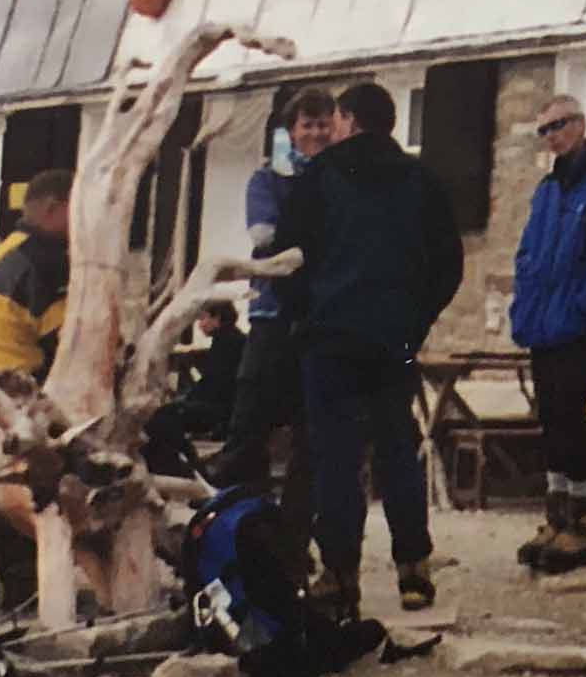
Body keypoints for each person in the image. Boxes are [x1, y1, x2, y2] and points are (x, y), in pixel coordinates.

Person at [278, 79, 463, 618]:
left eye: (335, 118)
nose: (329, 127)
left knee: (336, 458)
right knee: (397, 448)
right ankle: (413, 569)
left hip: (331, 336)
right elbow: (448, 264)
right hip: (394, 336)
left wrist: (303, 315)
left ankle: (340, 575)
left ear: (350, 121)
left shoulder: (319, 178)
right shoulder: (422, 181)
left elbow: (286, 259)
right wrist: (416, 320)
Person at [508, 94, 586, 574]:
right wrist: (524, 299)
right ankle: (557, 517)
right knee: (550, 416)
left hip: (575, 319)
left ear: (582, 125)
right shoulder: (548, 189)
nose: (551, 136)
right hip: (543, 318)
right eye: (543, 130)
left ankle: (583, 523)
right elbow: (528, 250)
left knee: (569, 414)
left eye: (559, 125)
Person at [215, 89, 337, 567]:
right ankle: (239, 536)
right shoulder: (266, 180)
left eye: (324, 123)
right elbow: (265, 241)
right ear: (290, 131)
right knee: (248, 431)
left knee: (312, 440)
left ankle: (291, 545)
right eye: (307, 125)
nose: (316, 133)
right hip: (271, 319)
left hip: (321, 322)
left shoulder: (342, 181)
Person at [0, 168, 74, 383]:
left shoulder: (11, 248)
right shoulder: (46, 260)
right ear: (52, 208)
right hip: (18, 383)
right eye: (78, 208)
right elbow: (68, 341)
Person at [140, 300, 246, 474]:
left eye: (203, 318)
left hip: (221, 408)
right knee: (165, 413)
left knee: (162, 417)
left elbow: (214, 384)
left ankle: (191, 466)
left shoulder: (227, 343)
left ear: (217, 318)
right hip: (224, 404)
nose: (199, 324)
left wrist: (185, 399)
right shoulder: (229, 339)